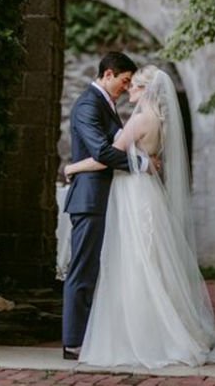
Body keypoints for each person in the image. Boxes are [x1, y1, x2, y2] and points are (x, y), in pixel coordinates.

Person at [64, 65, 215, 368]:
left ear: (145, 90)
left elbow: (105, 157)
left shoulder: (140, 119)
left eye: (133, 86)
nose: (129, 90)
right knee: (151, 260)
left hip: (132, 193)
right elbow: (145, 158)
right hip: (149, 194)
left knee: (131, 261)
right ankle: (157, 328)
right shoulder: (162, 121)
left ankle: (139, 335)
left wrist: (72, 168)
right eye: (127, 84)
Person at [62, 51, 140, 360]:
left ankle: (89, 335)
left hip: (103, 198)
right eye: (124, 81)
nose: (125, 87)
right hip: (89, 199)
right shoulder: (87, 104)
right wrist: (142, 163)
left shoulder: (105, 104)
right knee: (82, 269)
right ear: (108, 75)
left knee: (96, 268)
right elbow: (101, 151)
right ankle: (73, 342)